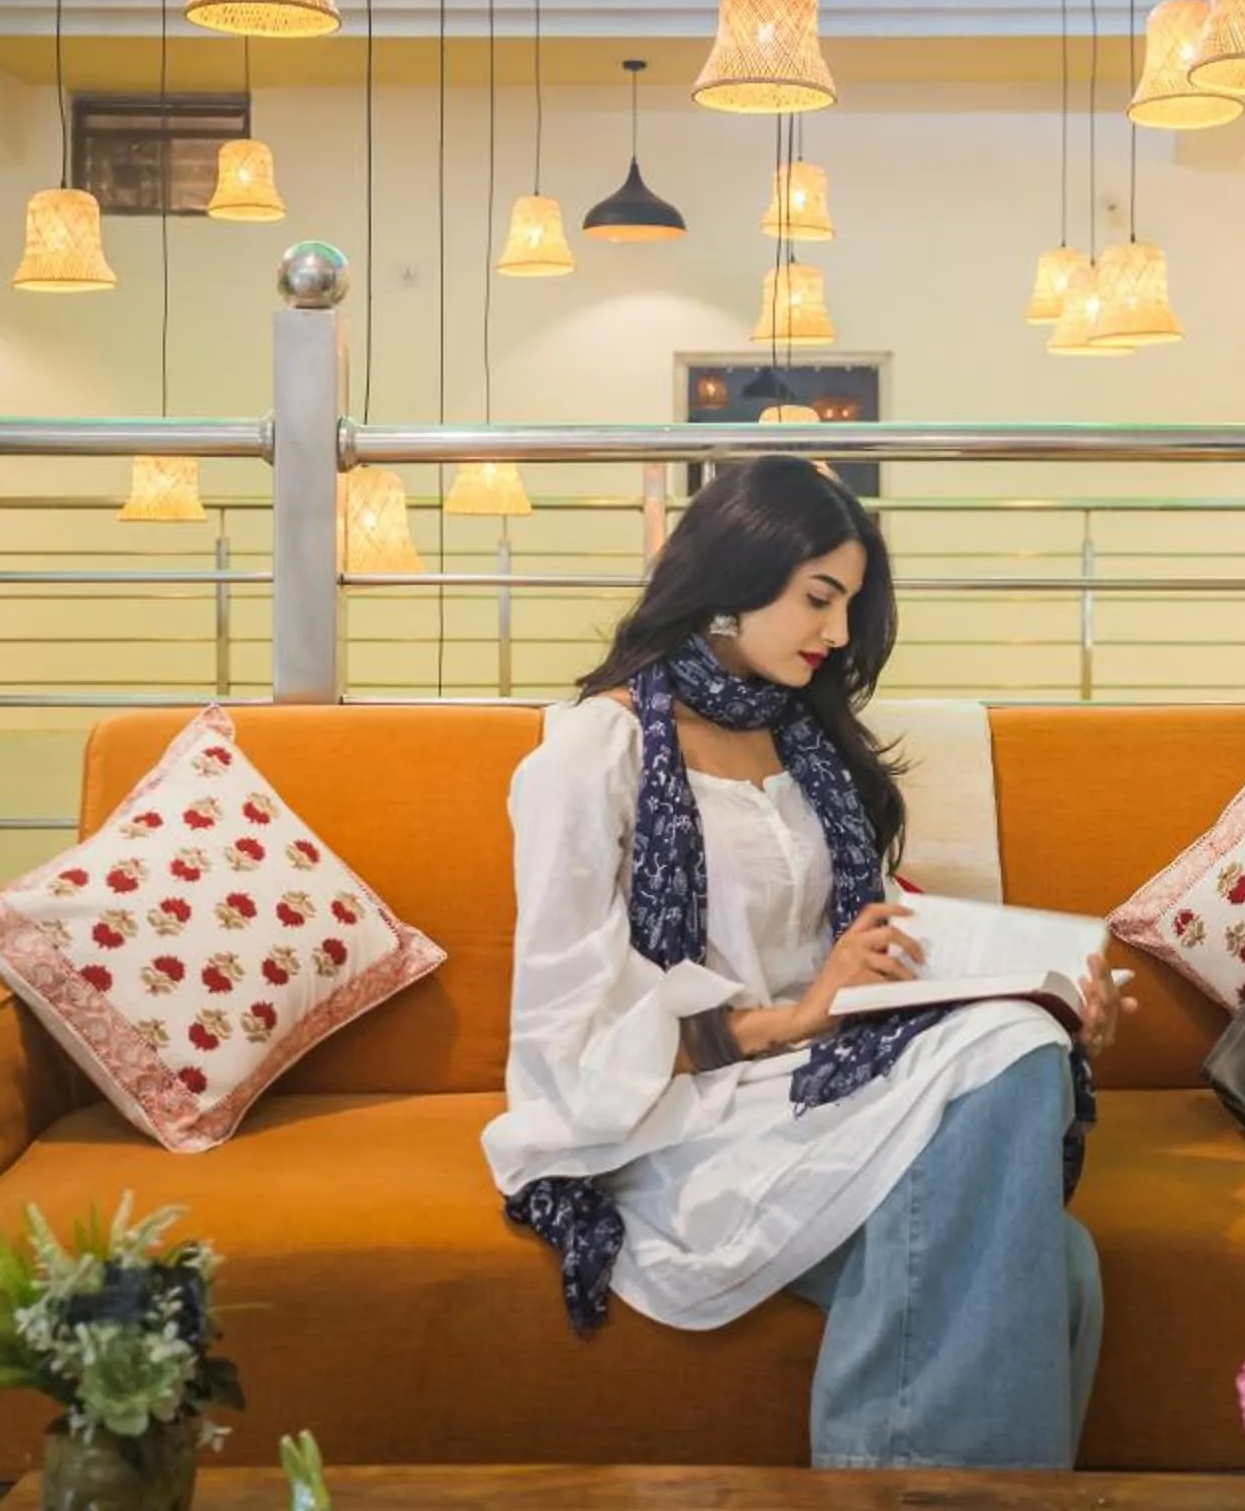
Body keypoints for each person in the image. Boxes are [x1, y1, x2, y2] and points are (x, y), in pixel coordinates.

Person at [482, 454, 1136, 1469]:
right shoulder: (590, 753)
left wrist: (1052, 1004)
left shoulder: (810, 743)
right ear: (732, 577)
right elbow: (566, 1032)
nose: (835, 634)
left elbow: (868, 954)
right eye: (817, 599)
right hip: (683, 1115)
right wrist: (792, 1020)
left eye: (847, 605)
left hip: (824, 1083)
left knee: (1031, 1082)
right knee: (1056, 1244)